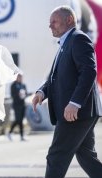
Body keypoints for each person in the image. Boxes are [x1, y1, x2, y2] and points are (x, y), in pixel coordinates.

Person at [32, 5, 102, 178]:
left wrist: (75, 103)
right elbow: (57, 77)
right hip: (79, 111)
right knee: (87, 157)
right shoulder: (66, 43)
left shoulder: (78, 39)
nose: (50, 26)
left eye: (54, 21)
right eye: (50, 22)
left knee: (57, 156)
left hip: (75, 111)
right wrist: (42, 91)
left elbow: (88, 71)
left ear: (69, 19)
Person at [8, 74, 30, 141]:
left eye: (21, 77)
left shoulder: (23, 85)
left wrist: (28, 94)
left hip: (22, 104)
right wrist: (18, 94)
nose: (20, 78)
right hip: (16, 104)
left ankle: (22, 135)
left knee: (21, 121)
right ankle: (10, 132)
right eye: (19, 77)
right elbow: (12, 95)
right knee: (18, 119)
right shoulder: (13, 85)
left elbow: (25, 94)